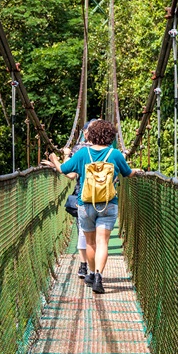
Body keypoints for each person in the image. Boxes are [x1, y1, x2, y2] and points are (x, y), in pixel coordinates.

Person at [46, 119, 142, 294]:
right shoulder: (115, 154)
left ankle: (91, 273)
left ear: (90, 135)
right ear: (110, 136)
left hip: (86, 204)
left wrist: (54, 159)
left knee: (90, 242)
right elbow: (128, 173)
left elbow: (64, 170)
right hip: (108, 204)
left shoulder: (83, 153)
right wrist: (137, 171)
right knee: (102, 242)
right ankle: (98, 276)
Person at [62, 119, 98, 279]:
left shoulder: (79, 149)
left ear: (85, 133)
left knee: (84, 233)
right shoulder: (110, 150)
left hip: (82, 196)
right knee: (99, 237)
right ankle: (96, 272)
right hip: (104, 199)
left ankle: (84, 266)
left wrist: (65, 155)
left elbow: (70, 174)